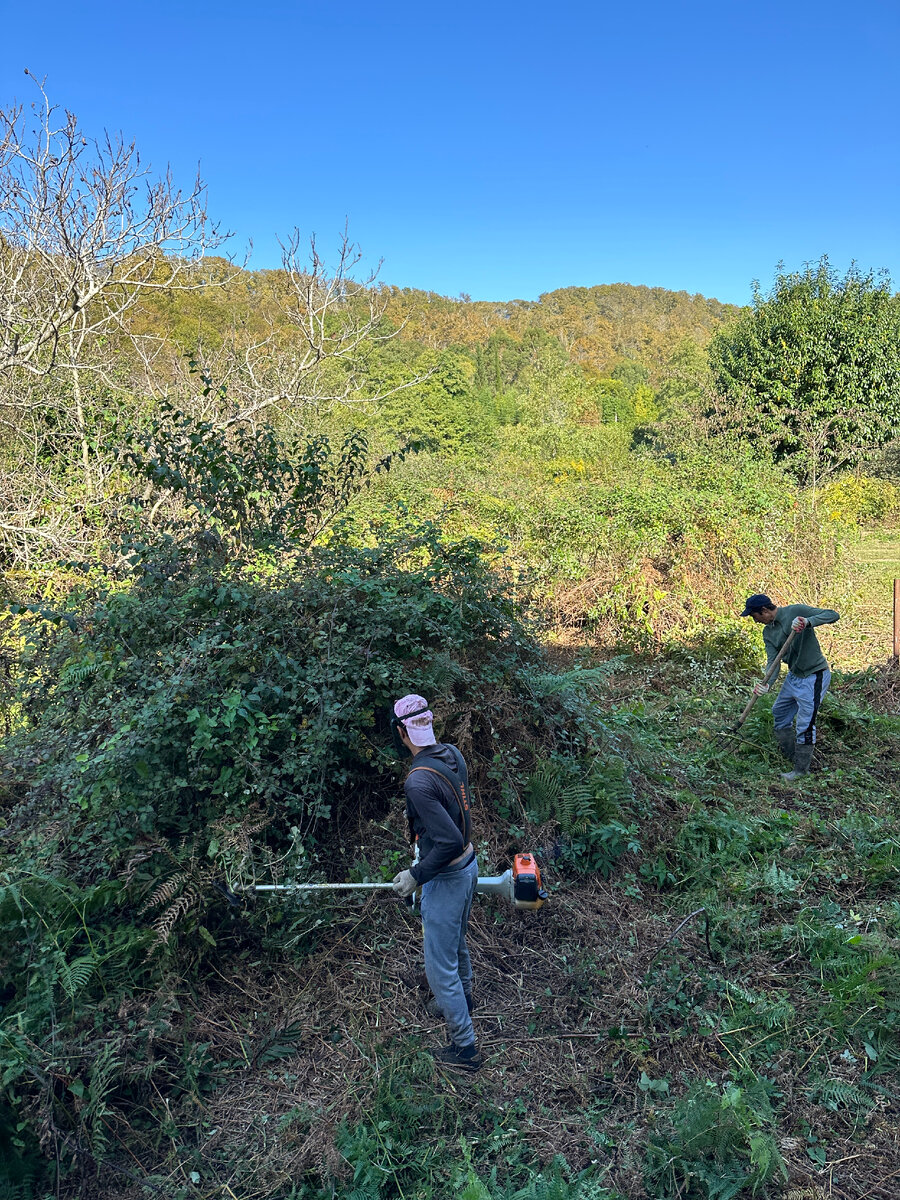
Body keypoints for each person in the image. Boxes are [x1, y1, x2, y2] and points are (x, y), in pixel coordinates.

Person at [390, 694, 482, 1072]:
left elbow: (447, 841)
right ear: (428, 723)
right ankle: (466, 996)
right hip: (469, 867)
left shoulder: (417, 781)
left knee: (438, 968)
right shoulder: (452, 754)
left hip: (447, 877)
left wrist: (416, 875)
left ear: (401, 732)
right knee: (455, 941)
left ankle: (465, 1049)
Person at [740, 593, 840, 780]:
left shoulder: (795, 611)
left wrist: (807, 622)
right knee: (779, 712)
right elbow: (773, 662)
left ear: (764, 611)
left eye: (755, 617)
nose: (755, 621)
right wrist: (766, 684)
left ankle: (801, 770)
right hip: (794, 677)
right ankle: (792, 756)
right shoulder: (768, 632)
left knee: (805, 722)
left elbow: (832, 615)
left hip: (814, 675)